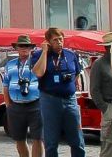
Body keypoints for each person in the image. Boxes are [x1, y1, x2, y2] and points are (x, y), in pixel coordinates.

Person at [33, 27, 85, 157]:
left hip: (69, 99)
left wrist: (69, 87)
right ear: (48, 41)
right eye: (55, 40)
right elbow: (38, 73)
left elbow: (77, 74)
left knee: (77, 139)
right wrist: (45, 52)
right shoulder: (39, 55)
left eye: (61, 39)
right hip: (50, 100)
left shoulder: (71, 55)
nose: (59, 43)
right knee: (51, 141)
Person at [3, 34, 43, 157]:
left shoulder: (37, 62)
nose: (24, 48)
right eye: (21, 46)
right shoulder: (10, 64)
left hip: (35, 104)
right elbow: (5, 85)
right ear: (17, 48)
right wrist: (8, 105)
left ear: (31, 48)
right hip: (15, 106)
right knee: (19, 138)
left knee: (38, 138)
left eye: (27, 46)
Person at [90, 31, 112, 157]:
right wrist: (106, 109)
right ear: (107, 47)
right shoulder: (99, 64)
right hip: (110, 106)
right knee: (109, 148)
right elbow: (94, 90)